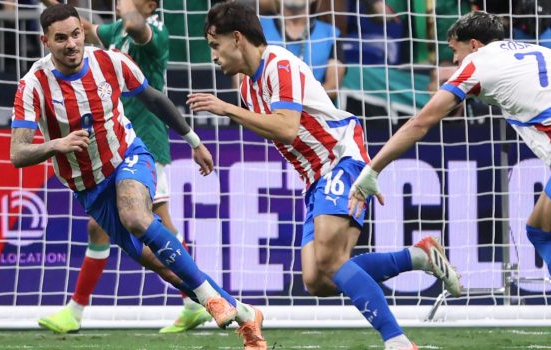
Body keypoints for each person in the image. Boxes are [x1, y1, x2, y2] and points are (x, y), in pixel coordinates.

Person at [187, 3, 461, 350]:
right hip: (316, 176)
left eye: (215, 45)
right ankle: (418, 256)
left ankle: (398, 342)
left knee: (332, 261)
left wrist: (225, 108)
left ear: (237, 38)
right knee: (317, 280)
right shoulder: (247, 89)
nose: (214, 55)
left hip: (340, 156)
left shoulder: (279, 64)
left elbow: (286, 129)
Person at [349, 11, 551, 350]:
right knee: (540, 229)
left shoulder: (478, 61)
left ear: (475, 44)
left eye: (455, 52)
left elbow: (422, 122)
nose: (454, 61)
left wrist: (373, 169)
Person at [10, 5, 266, 349]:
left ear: (82, 32)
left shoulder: (110, 61)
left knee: (136, 216)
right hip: (90, 187)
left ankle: (208, 300)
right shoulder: (33, 86)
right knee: (161, 265)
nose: (71, 44)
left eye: (76, 34)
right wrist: (57, 144)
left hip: (130, 155)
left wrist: (193, 140)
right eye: (61, 38)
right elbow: (17, 154)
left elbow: (155, 99)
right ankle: (246, 315)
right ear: (45, 41)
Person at [35, 0, 211, 335]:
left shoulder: (154, 32)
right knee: (138, 227)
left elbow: (134, 25)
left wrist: (130, 8)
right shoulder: (115, 31)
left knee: (146, 228)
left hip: (142, 143)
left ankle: (197, 297)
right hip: (113, 145)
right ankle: (195, 300)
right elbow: (80, 28)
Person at [259, 0, 345, 99]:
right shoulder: (258, 25)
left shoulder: (331, 33)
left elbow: (333, 86)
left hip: (311, 111)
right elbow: (241, 79)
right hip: (264, 110)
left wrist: (291, 101)